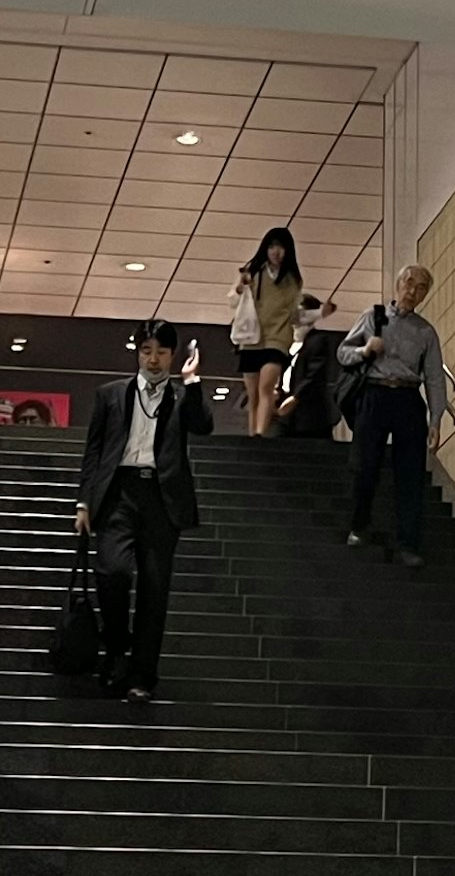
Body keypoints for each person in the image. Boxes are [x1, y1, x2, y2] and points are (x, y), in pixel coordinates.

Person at [73, 323, 210, 710]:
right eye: (147, 350)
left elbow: (204, 426)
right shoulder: (111, 395)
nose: (153, 359)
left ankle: (141, 676)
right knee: (112, 571)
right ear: (138, 352)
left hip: (162, 500)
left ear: (172, 355)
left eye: (162, 352)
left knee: (154, 590)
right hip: (118, 494)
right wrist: (84, 503)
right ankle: (117, 647)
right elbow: (94, 451)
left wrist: (193, 380)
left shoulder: (183, 396)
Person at [338, 265, 450, 564]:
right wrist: (365, 351)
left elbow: (435, 377)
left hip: (408, 398)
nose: (413, 291)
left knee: (411, 474)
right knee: (364, 466)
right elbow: (343, 353)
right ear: (398, 284)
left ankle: (408, 544)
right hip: (374, 395)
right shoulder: (373, 317)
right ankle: (359, 526)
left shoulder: (426, 332)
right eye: (409, 283)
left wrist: (436, 419)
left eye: (422, 287)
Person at [230, 227, 304, 435]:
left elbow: (294, 314)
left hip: (278, 339)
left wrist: (318, 314)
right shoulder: (253, 273)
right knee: (253, 393)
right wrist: (241, 286)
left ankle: (261, 434)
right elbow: (233, 301)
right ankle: (253, 434)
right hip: (252, 338)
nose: (276, 251)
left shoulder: (293, 281)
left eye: (280, 247)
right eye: (272, 246)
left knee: (266, 387)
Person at [272, 294, 342, 437]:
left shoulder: (318, 341)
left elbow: (314, 375)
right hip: (285, 411)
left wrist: (296, 398)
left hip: (309, 413)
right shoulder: (287, 341)